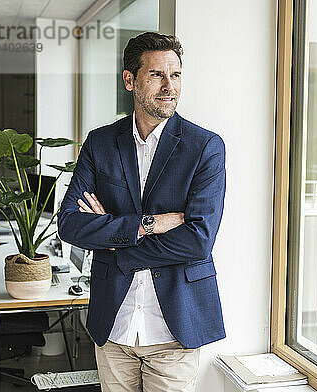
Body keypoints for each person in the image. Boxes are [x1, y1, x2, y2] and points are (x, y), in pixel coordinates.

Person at [58, 32, 226, 392]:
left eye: (176, 75)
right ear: (130, 79)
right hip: (114, 325)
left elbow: (198, 241)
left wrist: (118, 245)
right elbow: (70, 225)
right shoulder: (100, 143)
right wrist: (149, 224)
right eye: (157, 75)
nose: (170, 87)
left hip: (174, 328)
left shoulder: (205, 148)